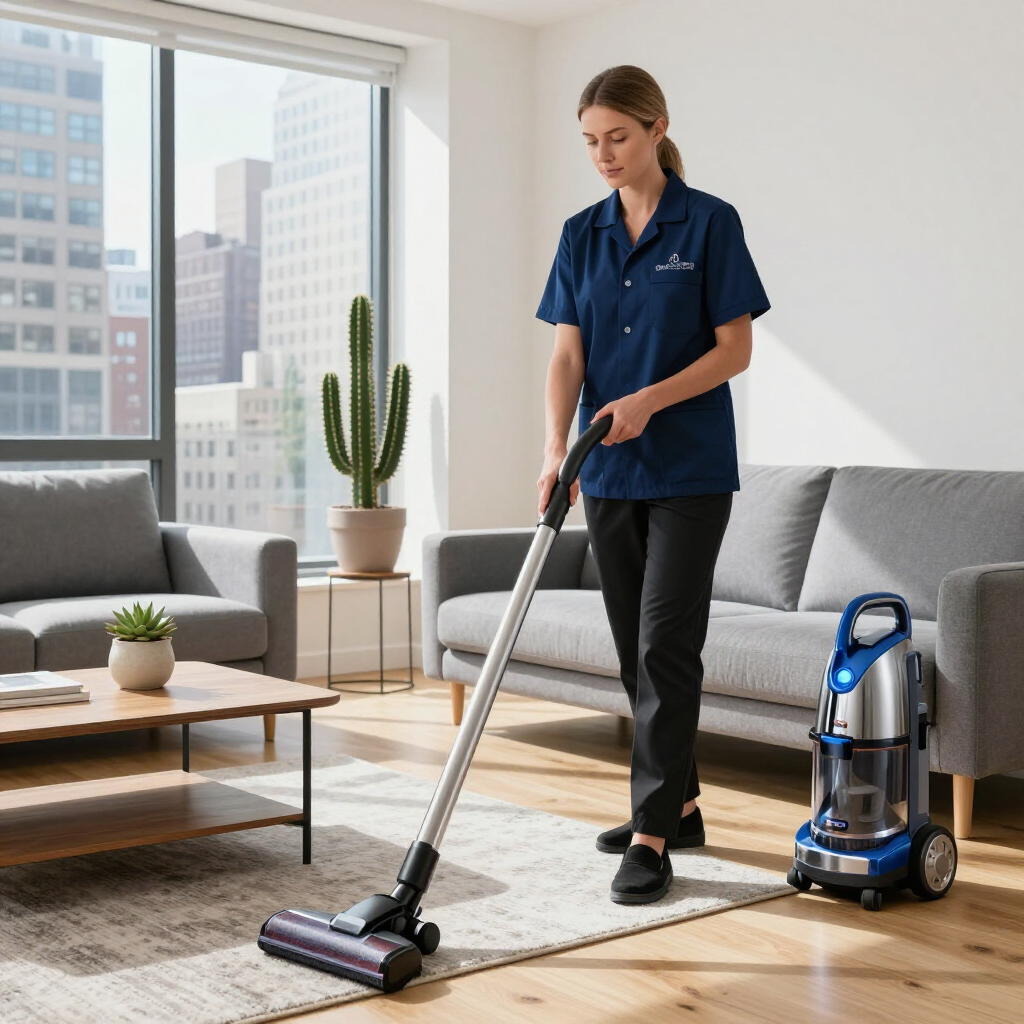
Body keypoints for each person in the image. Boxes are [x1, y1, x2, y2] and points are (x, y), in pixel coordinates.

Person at [536, 65, 770, 905]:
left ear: (656, 126)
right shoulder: (580, 233)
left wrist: (649, 399)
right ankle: (683, 803)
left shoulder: (708, 223)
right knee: (634, 643)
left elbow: (734, 349)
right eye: (591, 141)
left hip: (689, 469)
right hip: (606, 467)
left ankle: (650, 836)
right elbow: (567, 354)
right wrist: (557, 450)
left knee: (666, 644)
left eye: (618, 137)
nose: (603, 154)